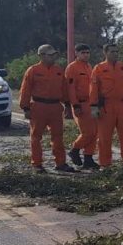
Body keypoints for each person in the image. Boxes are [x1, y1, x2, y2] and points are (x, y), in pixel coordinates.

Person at [20, 44, 74, 173]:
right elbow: (25, 90)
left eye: (54, 55)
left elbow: (64, 89)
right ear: (41, 56)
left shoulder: (59, 70)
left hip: (55, 107)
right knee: (36, 137)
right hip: (39, 106)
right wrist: (25, 107)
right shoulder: (33, 70)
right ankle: (37, 164)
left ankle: (60, 163)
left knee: (58, 137)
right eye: (50, 55)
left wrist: (67, 105)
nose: (53, 57)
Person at [89, 43, 123, 167]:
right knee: (105, 137)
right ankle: (105, 163)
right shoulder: (99, 68)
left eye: (116, 51)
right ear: (105, 53)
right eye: (112, 52)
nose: (115, 54)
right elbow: (93, 88)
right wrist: (94, 106)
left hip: (122, 105)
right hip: (106, 106)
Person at [64, 43, 99, 170]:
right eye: (83, 53)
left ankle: (88, 158)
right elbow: (70, 89)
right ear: (76, 54)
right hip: (80, 103)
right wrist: (75, 105)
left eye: (87, 52)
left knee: (95, 132)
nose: (86, 55)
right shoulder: (72, 68)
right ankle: (74, 150)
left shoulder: (89, 67)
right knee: (87, 132)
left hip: (92, 104)